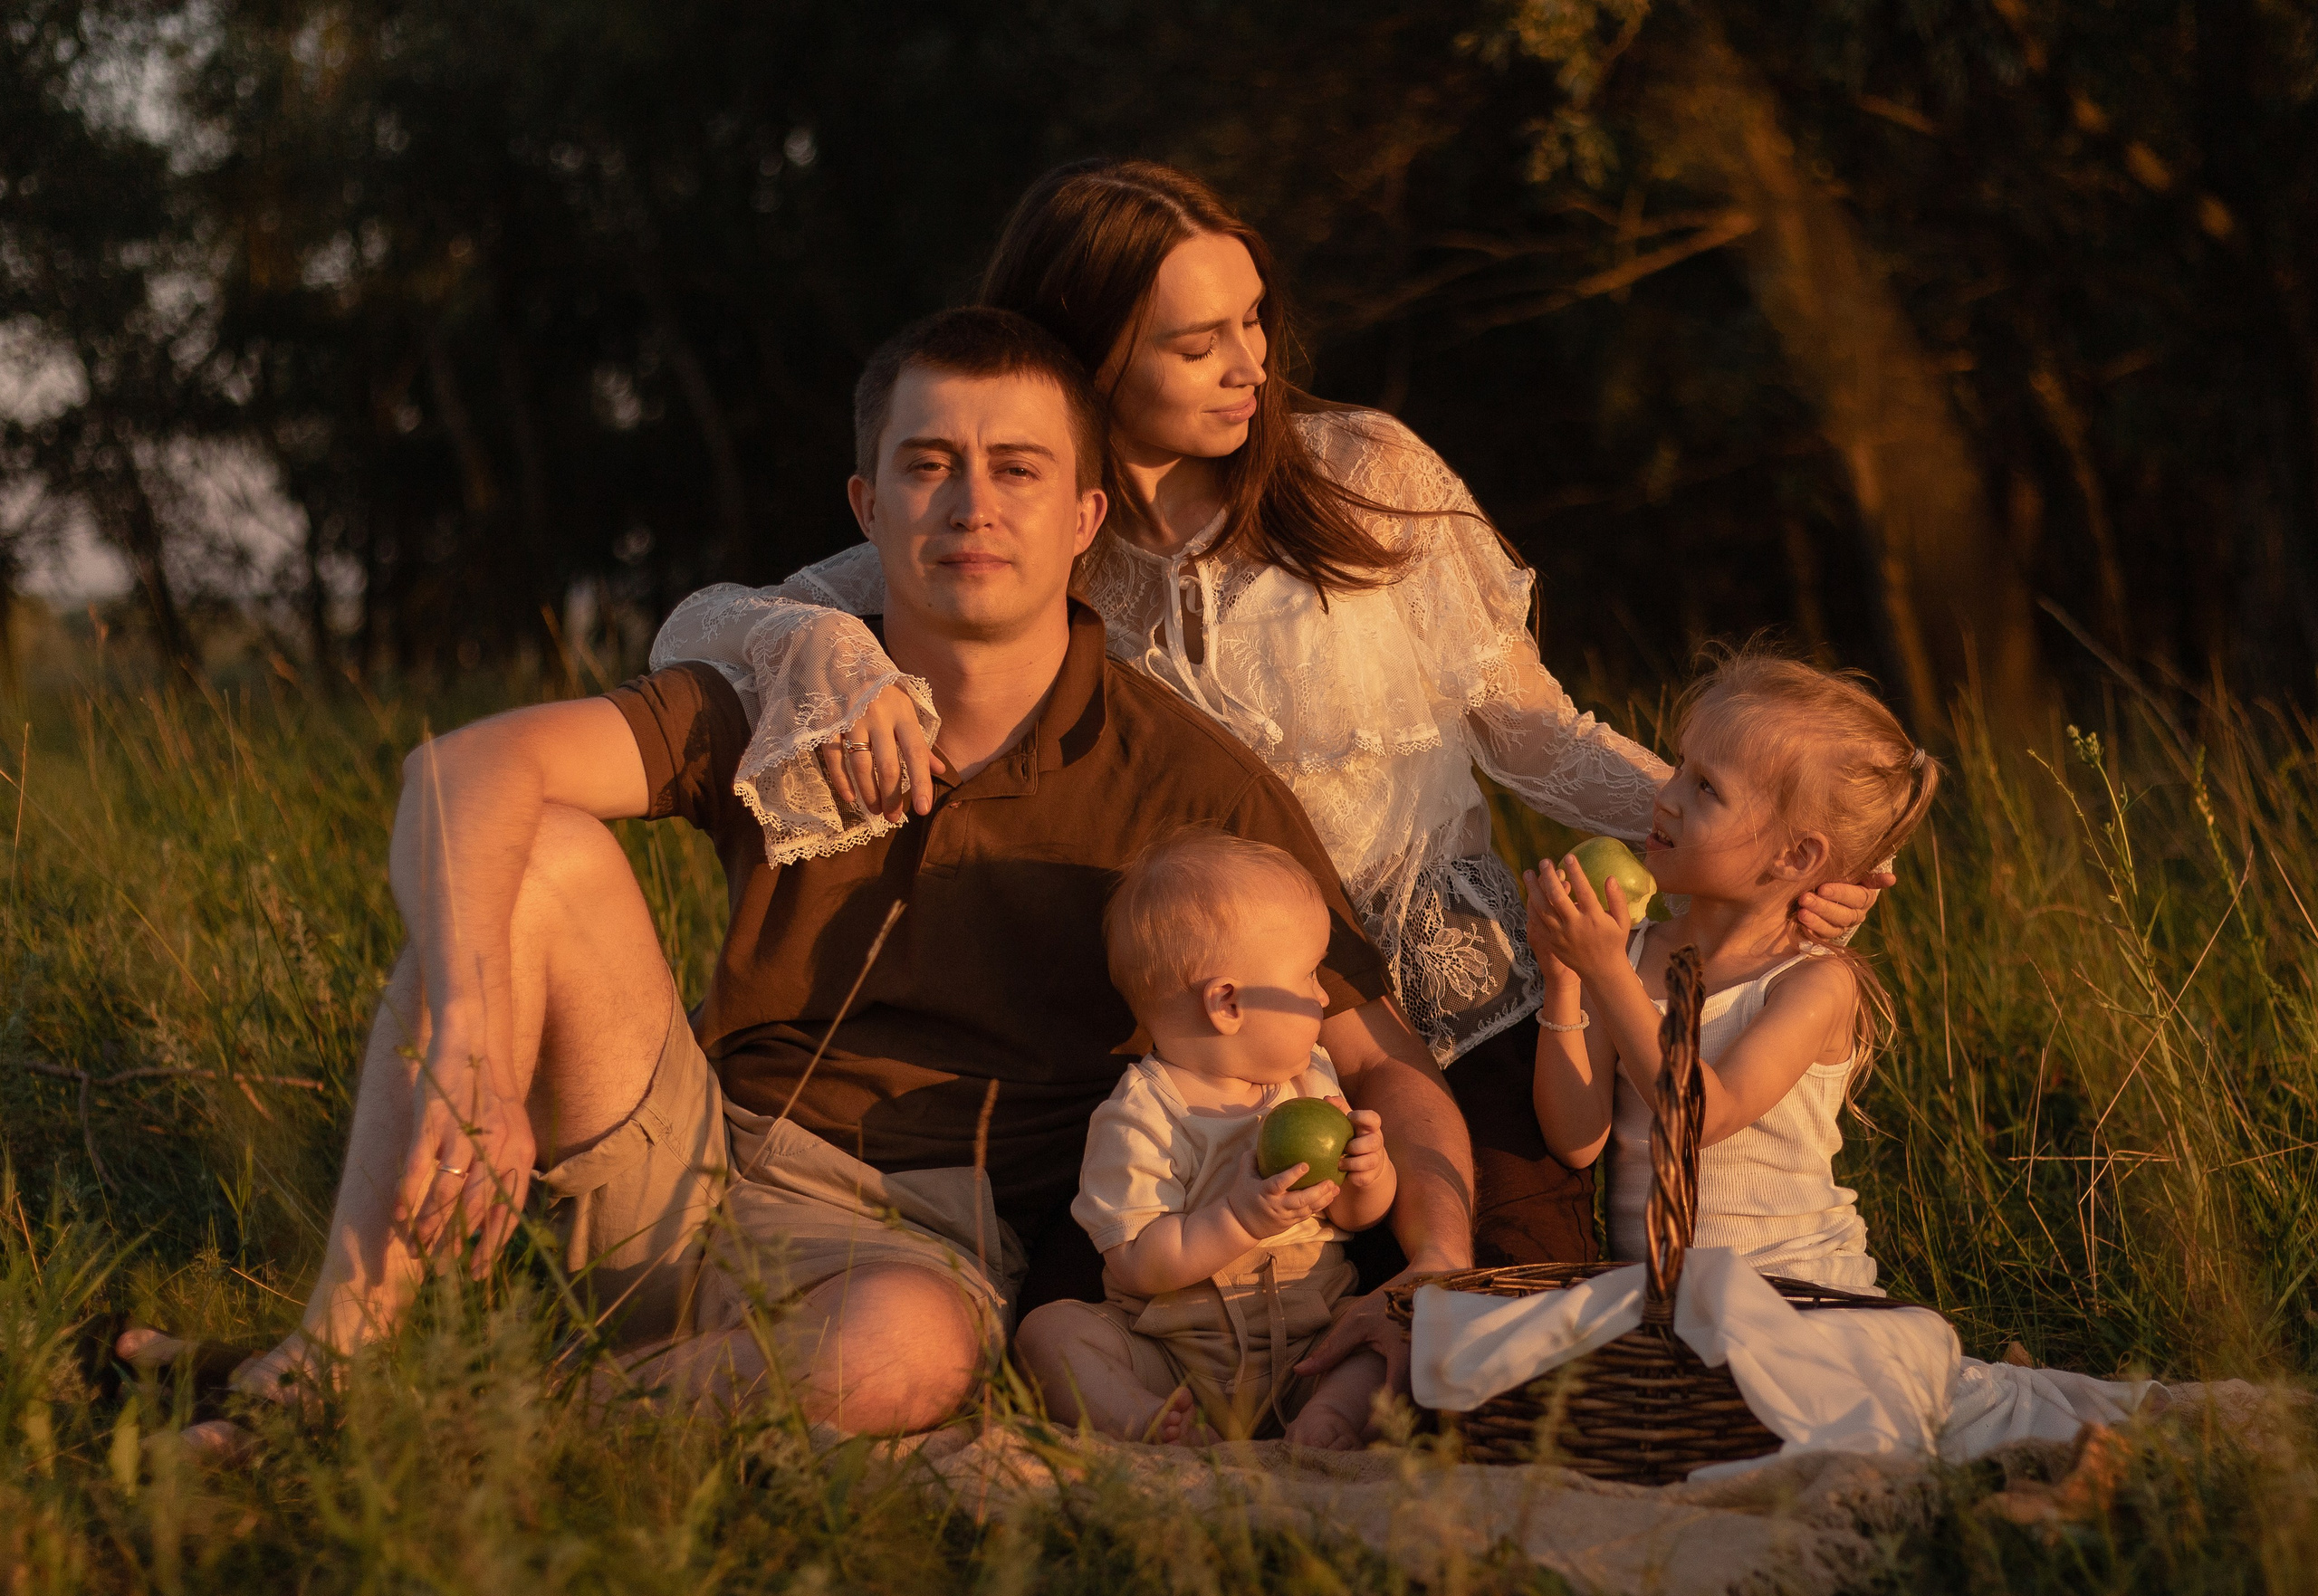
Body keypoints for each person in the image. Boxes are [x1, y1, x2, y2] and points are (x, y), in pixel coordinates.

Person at [120, 307, 1473, 1453]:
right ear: (867, 504)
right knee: (528, 845)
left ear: (1084, 516)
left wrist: (1434, 1277)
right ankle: (327, 1364)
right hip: (690, 1160)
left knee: (913, 1352)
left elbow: (1390, 1067)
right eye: (929, 465)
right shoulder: (795, 683)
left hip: (924, 1248)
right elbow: (454, 773)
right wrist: (477, 1039)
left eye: (1015, 469)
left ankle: (481, 1422)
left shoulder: (1187, 781)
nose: (971, 504)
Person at [650, 158, 1890, 1276]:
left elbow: (1537, 731)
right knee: (1188, 1327)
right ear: (1089, 357)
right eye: (1198, 343)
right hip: (1219, 1053)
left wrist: (1742, 841)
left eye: (1252, 320)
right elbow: (707, 625)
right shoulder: (1027, 524)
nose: (1251, 364)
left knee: (1500, 1327)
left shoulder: (1366, 471)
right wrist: (825, 648)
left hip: (1471, 1019)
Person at [1523, 652, 1939, 1289]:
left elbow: (1701, 1119)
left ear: (1794, 856)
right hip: (1658, 1296)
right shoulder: (1630, 953)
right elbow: (1577, 1140)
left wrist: (1603, 972)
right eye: (1680, 768)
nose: (1668, 798)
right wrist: (1565, 978)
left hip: (1792, 1287)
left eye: (1706, 788)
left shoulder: (1812, 983)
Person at [1014, 829, 1397, 1449]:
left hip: (1311, 1347)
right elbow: (1138, 1263)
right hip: (1174, 1361)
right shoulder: (1141, 1117)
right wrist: (1240, 1218)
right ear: (1226, 1003)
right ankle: (1147, 1419)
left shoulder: (1309, 1081)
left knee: (1387, 1334)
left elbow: (1354, 1216)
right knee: (1051, 1333)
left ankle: (1329, 1418)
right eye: (1308, 978)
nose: (1326, 997)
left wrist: (1367, 1173)